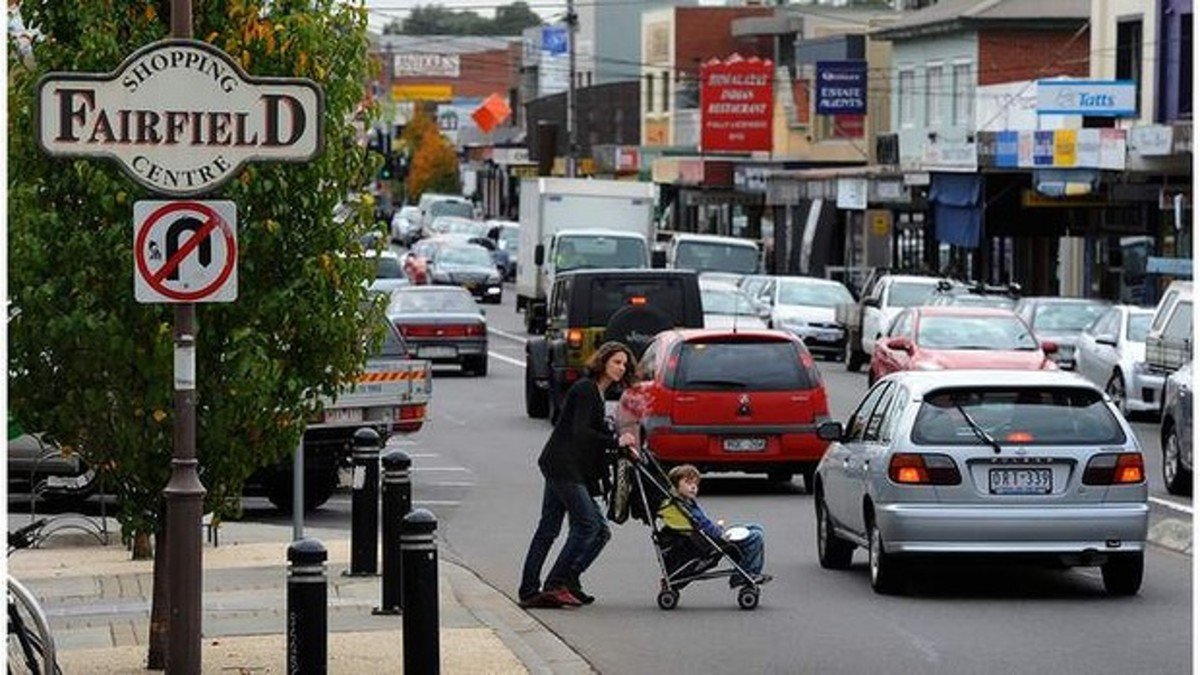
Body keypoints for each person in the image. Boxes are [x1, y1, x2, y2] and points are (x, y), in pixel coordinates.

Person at [518, 342, 638, 608]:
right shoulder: (586, 389)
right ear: (603, 361)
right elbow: (582, 433)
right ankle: (554, 584)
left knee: (559, 530)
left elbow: (590, 436)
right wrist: (616, 440)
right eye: (616, 362)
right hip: (564, 466)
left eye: (624, 364)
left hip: (566, 466)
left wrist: (616, 442)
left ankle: (548, 585)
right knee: (588, 526)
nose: (621, 368)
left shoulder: (597, 393)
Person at [658, 465, 771, 588]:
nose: (693, 487)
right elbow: (704, 527)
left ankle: (747, 571)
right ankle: (747, 574)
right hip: (711, 540)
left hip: (709, 536)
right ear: (675, 486)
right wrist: (719, 531)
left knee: (755, 527)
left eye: (695, 484)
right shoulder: (684, 507)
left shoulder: (686, 503)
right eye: (688, 483)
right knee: (755, 536)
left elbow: (703, 525)